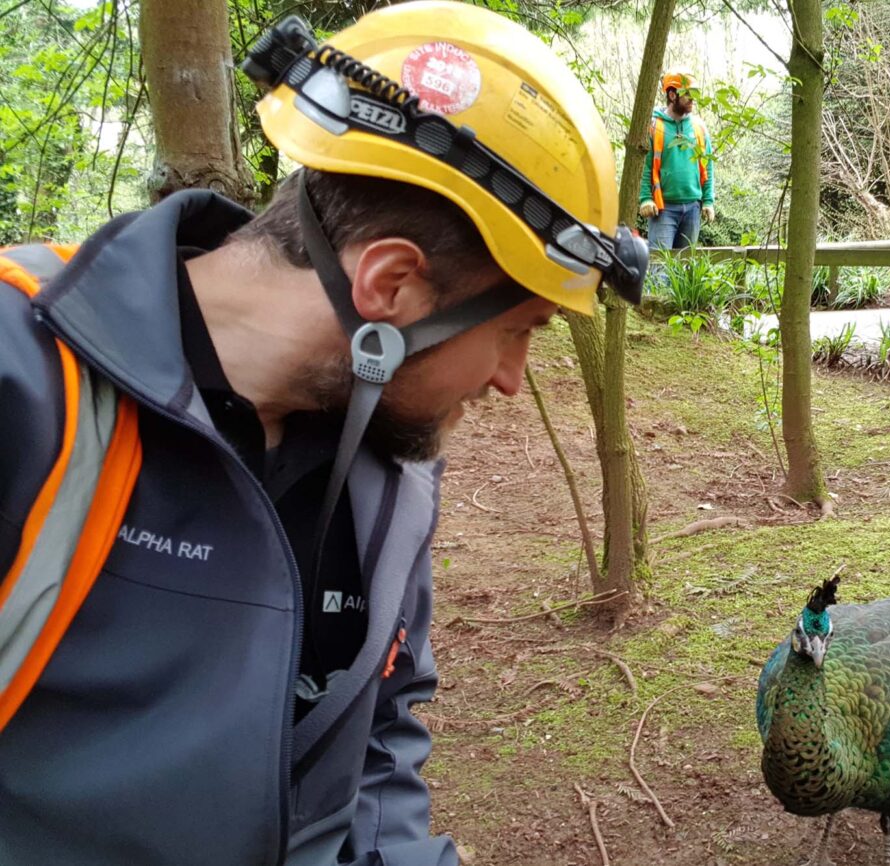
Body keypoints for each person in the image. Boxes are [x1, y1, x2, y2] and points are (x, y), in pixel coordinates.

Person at [0, 4, 645, 866]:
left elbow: (376, 738)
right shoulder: (26, 385)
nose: (509, 380)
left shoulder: (390, 463)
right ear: (391, 287)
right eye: (517, 330)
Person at [638, 70, 716, 252]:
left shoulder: (699, 127)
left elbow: (708, 166)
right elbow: (646, 166)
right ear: (672, 95)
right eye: (688, 94)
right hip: (663, 209)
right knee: (660, 266)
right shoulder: (654, 126)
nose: (693, 99)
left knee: (686, 266)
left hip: (693, 208)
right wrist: (646, 198)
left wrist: (708, 201)